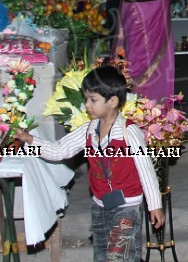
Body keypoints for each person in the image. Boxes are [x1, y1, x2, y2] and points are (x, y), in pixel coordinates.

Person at [16, 66, 164, 261]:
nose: (87, 105)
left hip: (127, 205)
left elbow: (146, 171)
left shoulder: (129, 132)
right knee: (101, 256)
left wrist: (155, 205)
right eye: (86, 99)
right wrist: (29, 140)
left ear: (112, 101)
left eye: (93, 100)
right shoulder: (88, 130)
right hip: (99, 205)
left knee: (121, 256)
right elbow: (59, 151)